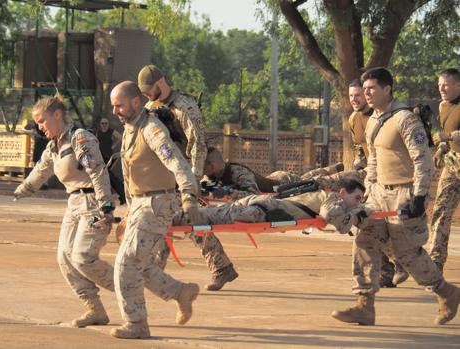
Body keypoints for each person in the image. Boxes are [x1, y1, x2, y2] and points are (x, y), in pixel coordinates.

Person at [332, 67, 460, 326]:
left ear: (387, 89)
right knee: (364, 241)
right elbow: (373, 163)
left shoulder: (405, 119)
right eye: (364, 89)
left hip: (405, 192)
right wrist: (367, 195)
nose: (366, 94)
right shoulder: (373, 122)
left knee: (407, 254)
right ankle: (364, 305)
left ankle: (446, 292)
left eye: (371, 89)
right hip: (379, 193)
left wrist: (420, 196)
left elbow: (422, 159)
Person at [13, 95, 116, 328]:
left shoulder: (80, 139)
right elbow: (41, 170)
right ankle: (95, 309)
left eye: (42, 121)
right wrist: (22, 189)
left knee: (82, 257)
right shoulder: (54, 146)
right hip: (74, 204)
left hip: (93, 202)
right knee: (65, 258)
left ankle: (128, 287)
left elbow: (98, 172)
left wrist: (106, 206)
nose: (39, 127)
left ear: (57, 115)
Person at [109, 81, 201, 339]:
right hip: (140, 204)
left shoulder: (151, 129)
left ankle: (136, 323)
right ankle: (180, 292)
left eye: (120, 105)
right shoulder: (130, 129)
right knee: (141, 262)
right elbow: (129, 174)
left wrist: (189, 196)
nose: (115, 110)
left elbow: (176, 162)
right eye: (113, 106)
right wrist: (129, 210)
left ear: (136, 102)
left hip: (158, 204)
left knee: (126, 263)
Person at [137, 65, 238, 292]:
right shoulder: (149, 107)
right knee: (169, 221)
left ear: (161, 82)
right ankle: (220, 268)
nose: (145, 94)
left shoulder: (185, 107)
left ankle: (157, 270)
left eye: (148, 89)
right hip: (161, 176)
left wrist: (192, 182)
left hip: (182, 176)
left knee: (185, 221)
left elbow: (197, 146)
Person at [348, 79, 408, 288]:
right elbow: (360, 147)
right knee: (366, 223)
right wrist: (358, 163)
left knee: (386, 225)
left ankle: (402, 261)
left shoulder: (388, 117)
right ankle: (386, 270)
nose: (355, 99)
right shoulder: (354, 119)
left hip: (391, 178)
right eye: (352, 95)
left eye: (359, 95)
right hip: (369, 176)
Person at [173, 178, 368, 237]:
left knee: (214, 214)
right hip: (261, 211)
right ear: (342, 192)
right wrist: (356, 215)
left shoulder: (323, 194)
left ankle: (172, 217)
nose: (357, 202)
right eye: (356, 198)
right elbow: (330, 215)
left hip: (262, 205)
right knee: (212, 217)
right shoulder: (334, 198)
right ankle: (171, 218)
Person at [203, 146, 343, 199]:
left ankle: (338, 172)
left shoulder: (238, 173)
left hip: (283, 182)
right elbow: (204, 187)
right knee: (306, 176)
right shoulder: (214, 175)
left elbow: (254, 195)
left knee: (313, 181)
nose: (202, 171)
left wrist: (229, 192)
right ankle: (333, 168)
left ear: (213, 165)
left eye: (204, 167)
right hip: (272, 178)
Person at [429, 68, 460, 273]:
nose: (441, 88)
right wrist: (441, 148)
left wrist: (450, 136)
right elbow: (443, 134)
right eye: (439, 85)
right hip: (452, 163)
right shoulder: (442, 106)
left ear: (458, 85)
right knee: (440, 210)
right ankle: (435, 262)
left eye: (446, 85)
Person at [95, 117, 126, 205]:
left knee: (106, 177)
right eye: (103, 123)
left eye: (106, 123)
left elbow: (121, 137)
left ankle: (120, 195)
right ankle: (122, 194)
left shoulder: (111, 131)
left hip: (109, 157)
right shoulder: (98, 132)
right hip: (100, 157)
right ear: (100, 124)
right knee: (108, 177)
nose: (104, 125)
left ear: (108, 124)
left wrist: (114, 146)